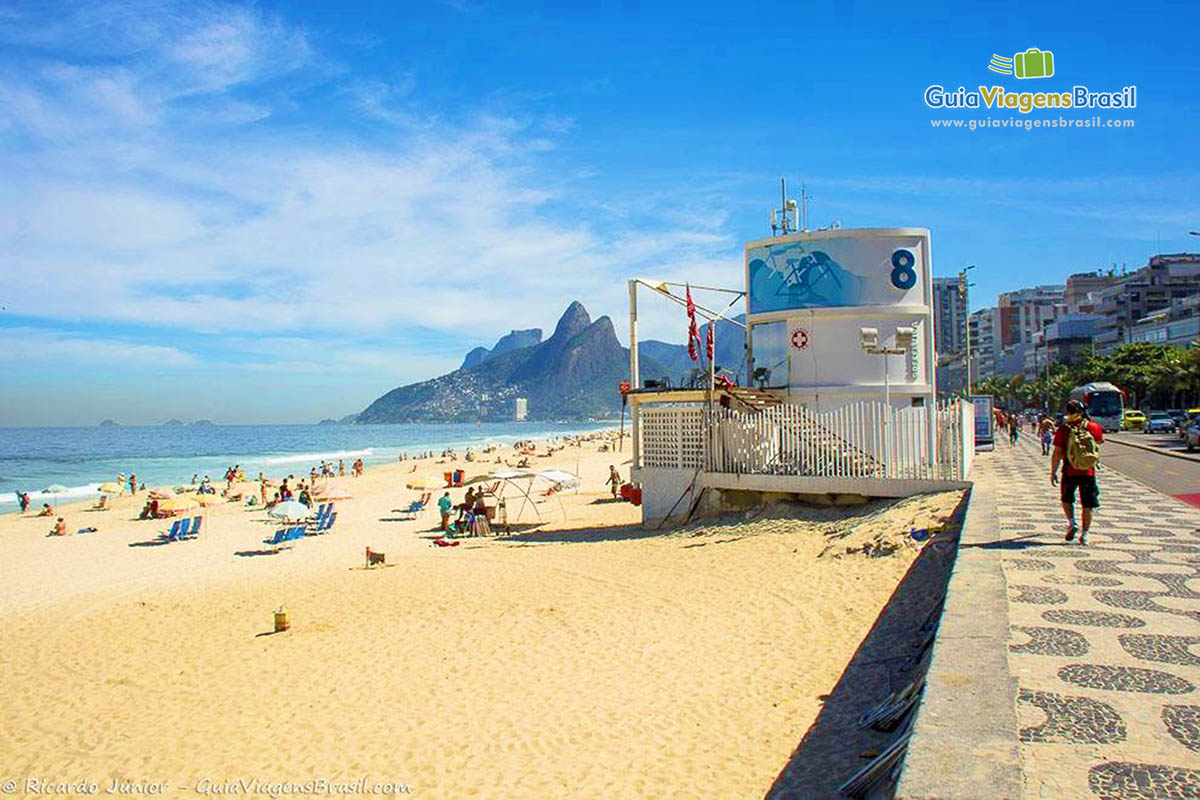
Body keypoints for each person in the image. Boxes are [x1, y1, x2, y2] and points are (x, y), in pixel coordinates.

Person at [1051, 399, 1104, 545]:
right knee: (1088, 504)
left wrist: (1053, 472)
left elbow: (1057, 453)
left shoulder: (1064, 429)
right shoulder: (1093, 427)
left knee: (1067, 499)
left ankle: (1072, 522)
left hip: (1069, 471)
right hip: (1088, 472)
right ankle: (1085, 534)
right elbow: (1097, 446)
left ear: (1068, 412)